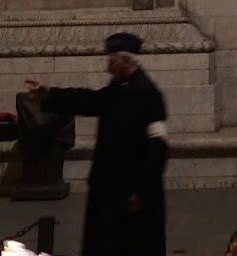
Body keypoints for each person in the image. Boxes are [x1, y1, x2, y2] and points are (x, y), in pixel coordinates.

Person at [27, 31, 168, 256]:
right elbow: (90, 101)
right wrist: (51, 95)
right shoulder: (119, 89)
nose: (108, 65)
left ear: (125, 60)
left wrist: (141, 191)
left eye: (111, 59)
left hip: (130, 196)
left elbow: (158, 148)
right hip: (110, 192)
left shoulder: (148, 95)